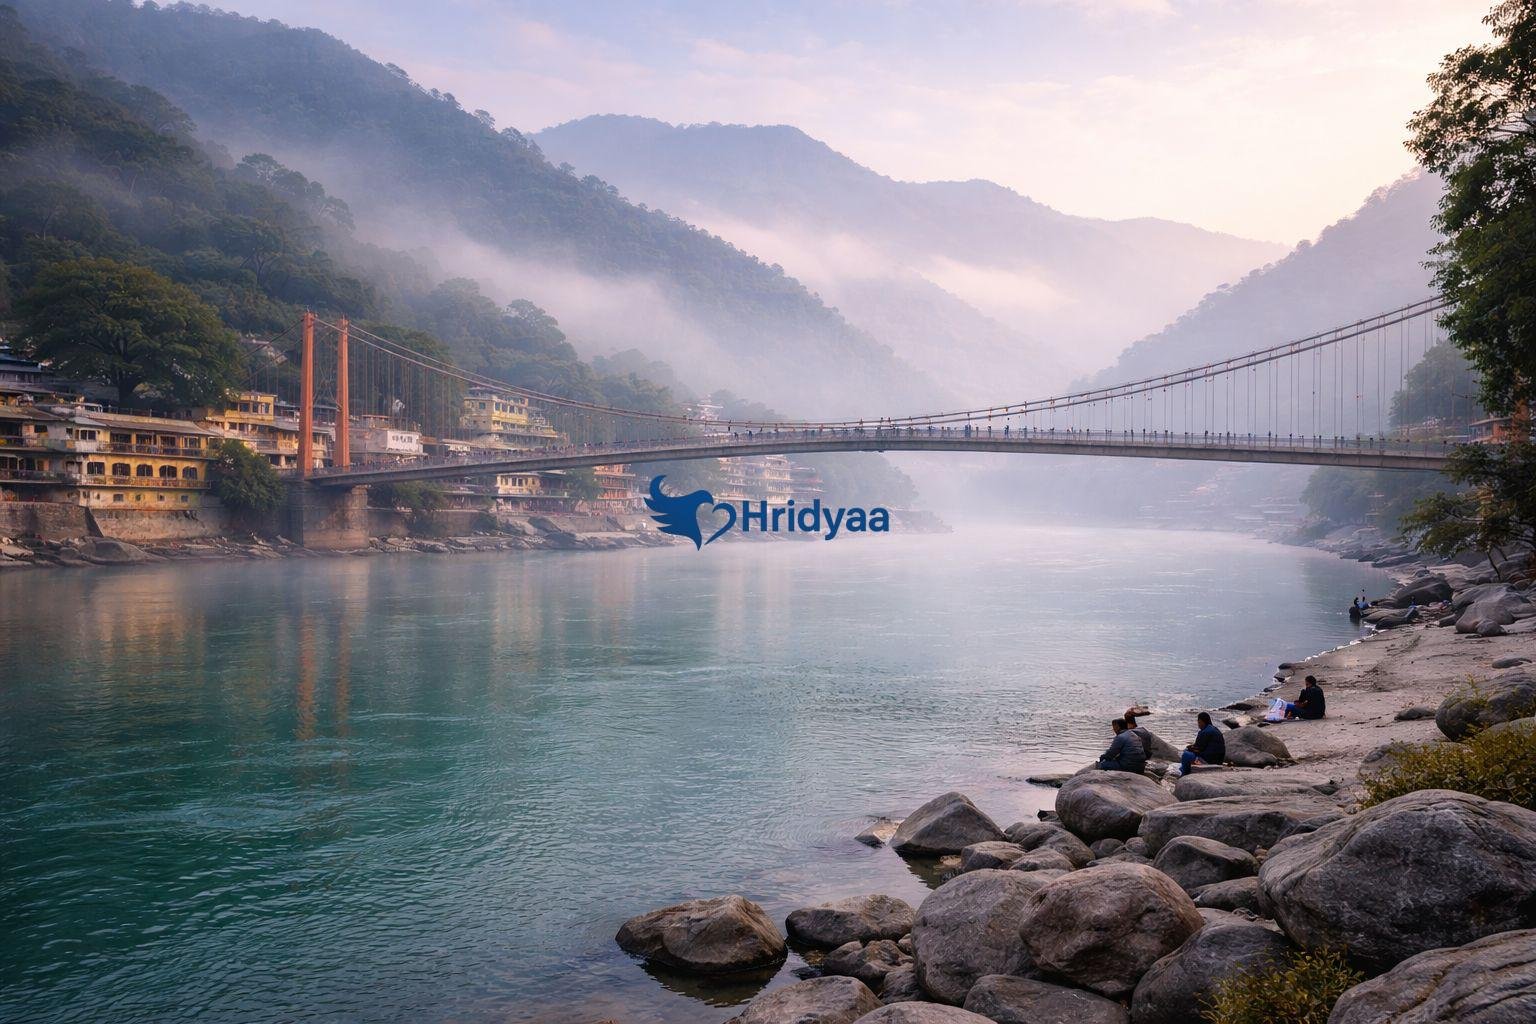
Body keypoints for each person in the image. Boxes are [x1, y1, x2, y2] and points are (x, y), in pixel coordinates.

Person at [1172, 712, 1225, 777]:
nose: (1198, 725)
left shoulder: (1205, 732)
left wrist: (1189, 748)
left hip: (1209, 761)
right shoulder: (1214, 729)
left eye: (1199, 722)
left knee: (1186, 755)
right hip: (1218, 761)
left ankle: (1184, 774)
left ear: (1203, 722)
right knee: (1188, 752)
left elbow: (1198, 748)